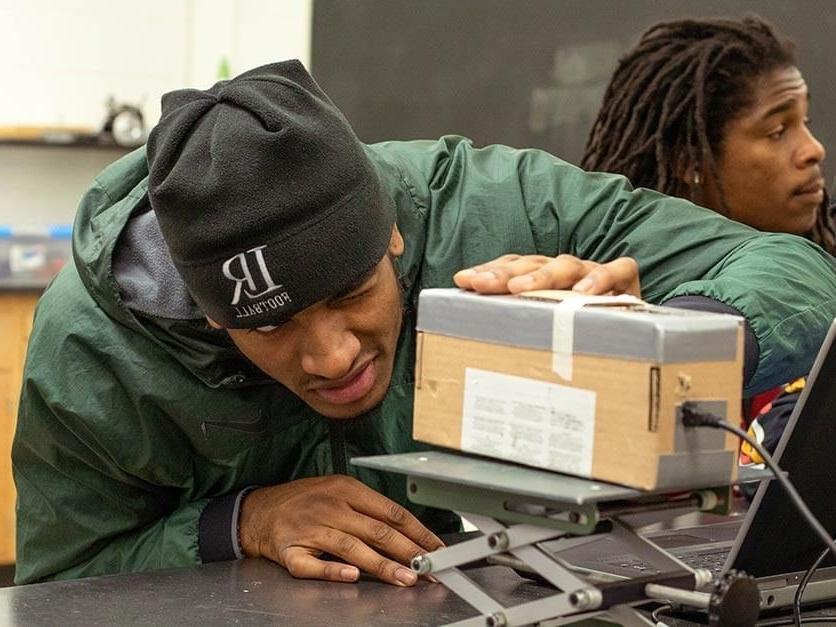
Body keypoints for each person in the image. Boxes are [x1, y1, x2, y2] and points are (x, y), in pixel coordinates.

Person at [12, 60, 836, 586]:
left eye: (348, 291)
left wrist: (652, 336)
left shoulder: (490, 206)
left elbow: (800, 272)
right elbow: (62, 580)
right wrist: (241, 521)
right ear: (205, 310)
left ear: (393, 235)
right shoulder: (94, 346)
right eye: (271, 327)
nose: (332, 355)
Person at [580, 15, 836, 465]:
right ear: (688, 161)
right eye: (778, 131)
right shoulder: (612, 301)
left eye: (806, 122)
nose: (814, 149)